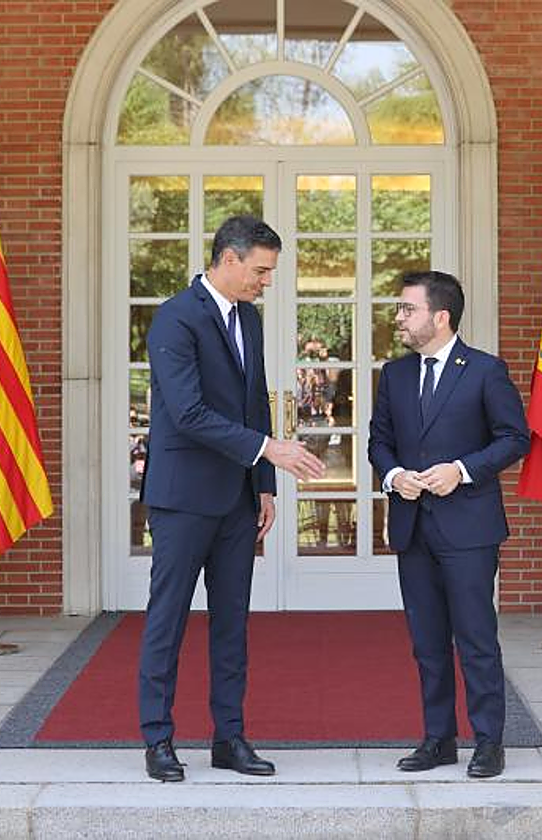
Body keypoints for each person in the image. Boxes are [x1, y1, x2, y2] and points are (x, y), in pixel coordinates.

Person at [137, 215, 325, 782]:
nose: (266, 281)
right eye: (261, 271)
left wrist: (263, 487)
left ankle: (229, 737)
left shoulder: (249, 318)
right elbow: (189, 414)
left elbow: (252, 403)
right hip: (182, 497)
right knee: (166, 620)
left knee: (231, 625)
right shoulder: (174, 318)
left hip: (237, 500)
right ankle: (158, 740)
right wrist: (270, 450)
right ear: (228, 260)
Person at [367, 270, 530, 779]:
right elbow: (378, 441)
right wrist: (395, 476)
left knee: (476, 638)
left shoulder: (484, 370)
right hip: (413, 526)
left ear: (441, 316)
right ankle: (438, 739)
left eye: (407, 309)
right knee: (427, 642)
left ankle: (488, 742)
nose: (399, 317)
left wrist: (459, 471)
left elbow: (514, 438)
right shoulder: (393, 375)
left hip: (469, 531)